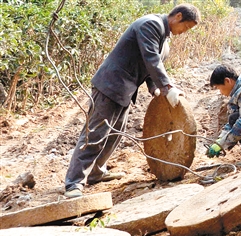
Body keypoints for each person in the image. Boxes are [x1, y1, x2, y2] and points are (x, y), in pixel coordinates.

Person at [64, 3, 201, 198]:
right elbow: (151, 59)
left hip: (125, 91)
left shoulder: (165, 43)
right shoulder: (150, 25)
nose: (184, 32)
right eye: (186, 27)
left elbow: (149, 70)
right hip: (110, 85)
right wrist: (168, 87)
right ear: (178, 16)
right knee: (94, 134)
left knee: (114, 135)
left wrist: (155, 89)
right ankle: (74, 183)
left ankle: (95, 173)